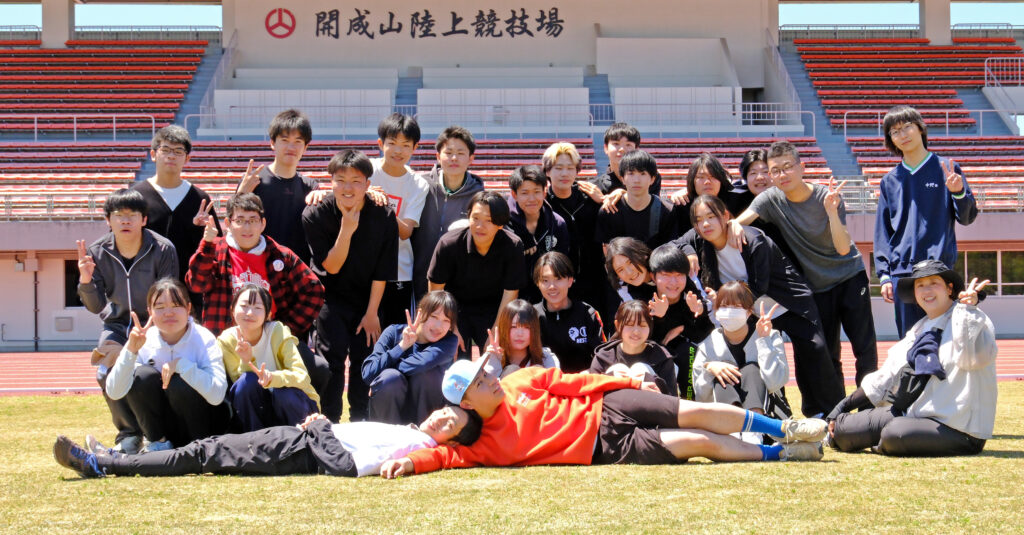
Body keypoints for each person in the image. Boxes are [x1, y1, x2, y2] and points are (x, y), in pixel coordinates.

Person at [378, 357, 829, 478]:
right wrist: (410, 461)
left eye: (487, 373)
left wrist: (628, 383)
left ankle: (783, 429)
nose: (492, 380)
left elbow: (575, 382)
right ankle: (782, 456)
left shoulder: (520, 379)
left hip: (608, 406)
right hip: (606, 449)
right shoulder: (480, 448)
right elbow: (444, 458)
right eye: (480, 382)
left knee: (698, 411)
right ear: (467, 402)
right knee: (698, 441)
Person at [676, 195, 845, 418]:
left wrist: (725, 300)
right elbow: (673, 244)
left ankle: (833, 415)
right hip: (752, 312)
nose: (705, 224)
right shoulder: (699, 239)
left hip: (787, 304)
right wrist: (688, 251)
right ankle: (771, 413)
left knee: (815, 352)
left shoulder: (752, 239)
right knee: (759, 360)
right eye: (698, 220)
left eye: (711, 216)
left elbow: (759, 285)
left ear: (725, 216)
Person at [728, 141, 878, 386]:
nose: (782, 174)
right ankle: (837, 406)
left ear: (802, 167)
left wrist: (831, 212)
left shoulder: (825, 196)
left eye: (788, 167)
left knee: (864, 348)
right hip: (818, 287)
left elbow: (843, 248)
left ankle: (869, 403)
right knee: (829, 353)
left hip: (849, 277)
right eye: (775, 170)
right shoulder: (770, 198)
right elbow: (740, 221)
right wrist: (734, 225)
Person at [827, 261, 995, 457]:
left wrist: (968, 309)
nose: (927, 290)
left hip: (958, 427)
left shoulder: (972, 319)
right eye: (920, 285)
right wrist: (842, 407)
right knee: (843, 430)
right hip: (916, 414)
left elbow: (971, 358)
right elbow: (886, 376)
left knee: (894, 433)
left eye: (934, 283)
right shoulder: (919, 329)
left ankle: (885, 444)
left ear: (950, 289)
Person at [54, 405, 483, 479]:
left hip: (296, 450)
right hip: (296, 441)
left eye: (450, 422)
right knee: (206, 448)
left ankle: (104, 464)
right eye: (447, 411)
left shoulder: (411, 447)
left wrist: (320, 428)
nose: (442, 416)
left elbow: (348, 467)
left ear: (453, 439)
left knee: (203, 454)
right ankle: (113, 459)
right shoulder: (411, 433)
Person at [185, 192, 329, 396]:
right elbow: (196, 284)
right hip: (226, 339)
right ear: (228, 223)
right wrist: (206, 243)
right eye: (240, 220)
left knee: (320, 369)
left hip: (268, 338)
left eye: (253, 220)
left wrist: (286, 328)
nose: (247, 228)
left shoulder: (280, 255)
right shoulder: (215, 250)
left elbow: (314, 291)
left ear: (263, 224)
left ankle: (311, 412)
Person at [76, 188, 179, 454]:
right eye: (118, 215)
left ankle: (159, 433)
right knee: (105, 370)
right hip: (118, 325)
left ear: (144, 219)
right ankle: (129, 434)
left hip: (156, 326)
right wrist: (85, 280)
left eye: (132, 215)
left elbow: (169, 292)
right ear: (108, 220)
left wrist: (155, 327)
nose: (125, 220)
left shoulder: (162, 248)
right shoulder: (97, 252)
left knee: (148, 375)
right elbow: (96, 306)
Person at [302, 149, 399, 422]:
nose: (348, 188)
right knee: (330, 363)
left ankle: (361, 420)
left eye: (356, 181)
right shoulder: (315, 214)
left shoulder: (383, 214)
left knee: (364, 361)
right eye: (341, 180)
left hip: (369, 299)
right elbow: (331, 267)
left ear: (368, 184)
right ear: (330, 182)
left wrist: (372, 313)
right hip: (329, 299)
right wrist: (346, 229)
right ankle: (329, 421)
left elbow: (383, 270)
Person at [875, 105, 978, 337]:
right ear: (890, 139)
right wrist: (884, 275)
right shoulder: (889, 180)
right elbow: (883, 231)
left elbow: (967, 218)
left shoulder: (947, 169)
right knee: (909, 341)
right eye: (895, 131)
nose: (902, 134)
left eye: (907, 127)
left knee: (944, 341)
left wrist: (959, 192)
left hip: (938, 268)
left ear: (920, 128)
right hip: (903, 273)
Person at [104, 278, 229, 451]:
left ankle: (196, 448)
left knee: (179, 383)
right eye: (160, 307)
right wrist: (130, 351)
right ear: (150, 312)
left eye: (176, 305)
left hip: (200, 427)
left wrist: (181, 365)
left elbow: (217, 395)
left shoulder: (204, 339)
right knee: (142, 376)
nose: (168, 313)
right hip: (163, 430)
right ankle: (158, 443)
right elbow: (114, 391)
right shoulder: (144, 340)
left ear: (188, 308)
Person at [129, 125, 220, 311]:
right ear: (153, 154)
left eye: (178, 151)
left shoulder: (200, 199)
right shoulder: (136, 197)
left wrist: (200, 230)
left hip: (192, 299)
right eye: (166, 150)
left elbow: (216, 248)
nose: (171, 156)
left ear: (187, 158)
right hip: (146, 297)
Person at [427, 191, 526, 360]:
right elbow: (436, 290)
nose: (480, 226)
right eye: (475, 218)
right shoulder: (448, 243)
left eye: (489, 220)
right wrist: (450, 327)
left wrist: (497, 332)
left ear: (500, 224)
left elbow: (510, 293)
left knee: (495, 360)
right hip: (453, 309)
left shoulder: (513, 245)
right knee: (451, 357)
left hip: (494, 310)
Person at [692, 281, 789, 438]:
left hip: (769, 421)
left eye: (736, 307)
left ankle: (754, 434)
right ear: (716, 311)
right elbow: (702, 397)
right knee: (722, 372)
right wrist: (710, 369)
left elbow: (776, 383)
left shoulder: (770, 336)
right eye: (724, 306)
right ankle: (734, 434)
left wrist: (764, 341)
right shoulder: (708, 345)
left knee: (751, 370)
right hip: (723, 427)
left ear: (749, 312)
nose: (730, 312)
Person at [217, 284, 320, 432]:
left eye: (257, 308)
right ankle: (256, 440)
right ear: (232, 310)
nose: (250, 313)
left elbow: (301, 376)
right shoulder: (227, 340)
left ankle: (301, 438)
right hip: (261, 410)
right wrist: (246, 361)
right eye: (244, 306)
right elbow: (240, 389)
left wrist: (272, 378)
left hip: (295, 404)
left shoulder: (277, 331)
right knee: (245, 384)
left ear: (268, 315)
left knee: (283, 394)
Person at [234, 108, 321, 263]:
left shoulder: (310, 187)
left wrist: (322, 197)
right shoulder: (254, 181)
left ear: (305, 147)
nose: (291, 147)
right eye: (285, 140)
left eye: (298, 141)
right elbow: (234, 226)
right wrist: (239, 197)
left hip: (297, 268)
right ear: (273, 143)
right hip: (260, 266)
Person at [361, 290, 460, 425]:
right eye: (434, 317)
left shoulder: (448, 341)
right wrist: (402, 346)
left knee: (425, 374)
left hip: (425, 417)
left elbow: (421, 364)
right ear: (420, 313)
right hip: (389, 415)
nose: (439, 326)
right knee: (390, 379)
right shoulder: (393, 332)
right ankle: (387, 435)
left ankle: (423, 434)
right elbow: (368, 373)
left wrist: (380, 375)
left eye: (446, 320)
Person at [411, 126, 485, 301]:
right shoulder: (420, 186)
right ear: (438, 156)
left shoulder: (479, 196)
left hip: (460, 279)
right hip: (420, 275)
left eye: (460, 153)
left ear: (471, 158)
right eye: (448, 152)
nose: (454, 158)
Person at [370, 113, 430, 326]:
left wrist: (383, 205)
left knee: (396, 335)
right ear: (380, 144)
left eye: (405, 145)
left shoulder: (418, 184)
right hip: (363, 267)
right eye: (392, 143)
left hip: (398, 271)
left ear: (415, 148)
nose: (398, 150)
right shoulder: (365, 171)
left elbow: (405, 232)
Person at [543, 142, 606, 308]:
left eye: (570, 168)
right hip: (557, 284)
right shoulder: (543, 205)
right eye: (558, 168)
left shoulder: (590, 199)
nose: (565, 173)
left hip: (594, 282)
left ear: (577, 171)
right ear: (547, 171)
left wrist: (605, 200)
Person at [647, 244, 714, 399]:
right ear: (653, 277)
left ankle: (689, 400)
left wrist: (699, 312)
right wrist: (658, 318)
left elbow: (707, 333)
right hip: (657, 360)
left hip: (691, 357)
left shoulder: (692, 297)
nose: (673, 282)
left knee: (687, 351)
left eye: (679, 275)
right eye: (666, 275)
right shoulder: (646, 302)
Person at [505, 164, 570, 303]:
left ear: (544, 192)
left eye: (536, 192)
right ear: (514, 195)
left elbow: (562, 266)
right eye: (525, 193)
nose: (532, 199)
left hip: (546, 298)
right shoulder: (503, 225)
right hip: (510, 297)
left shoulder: (557, 223)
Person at [532, 252, 605, 373]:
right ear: (537, 283)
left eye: (558, 279)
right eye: (545, 280)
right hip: (545, 381)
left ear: (570, 281)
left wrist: (588, 373)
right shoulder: (531, 316)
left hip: (583, 379)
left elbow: (603, 356)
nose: (552, 286)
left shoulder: (588, 313)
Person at [590, 300, 677, 396]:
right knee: (618, 369)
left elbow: (671, 398)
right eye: (630, 325)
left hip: (649, 404)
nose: (636, 331)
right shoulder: (603, 357)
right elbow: (591, 393)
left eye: (642, 325)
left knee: (641, 369)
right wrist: (613, 379)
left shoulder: (661, 358)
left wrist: (649, 379)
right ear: (618, 325)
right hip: (612, 404)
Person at [594, 150, 676, 250]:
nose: (636, 180)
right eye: (631, 173)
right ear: (622, 178)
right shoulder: (609, 211)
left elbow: (669, 249)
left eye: (642, 173)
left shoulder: (666, 210)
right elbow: (607, 250)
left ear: (652, 179)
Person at [668, 153, 743, 236]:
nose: (707, 182)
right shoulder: (681, 206)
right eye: (701, 177)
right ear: (692, 180)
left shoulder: (738, 201)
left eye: (713, 176)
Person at [484, 299, 560, 378]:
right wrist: (494, 360)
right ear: (504, 327)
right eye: (513, 327)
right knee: (511, 370)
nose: (520, 334)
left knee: (538, 369)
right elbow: (483, 383)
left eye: (526, 327)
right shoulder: (491, 357)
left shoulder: (546, 357)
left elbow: (555, 382)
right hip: (503, 385)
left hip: (537, 383)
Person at [589, 122, 660, 195]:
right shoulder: (595, 188)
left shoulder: (649, 177)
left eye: (628, 145)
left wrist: (622, 194)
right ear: (606, 148)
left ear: (636, 149)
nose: (622, 149)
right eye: (616, 144)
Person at [604, 237, 657, 304]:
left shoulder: (662, 265)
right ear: (617, 276)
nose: (629, 272)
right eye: (620, 270)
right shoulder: (625, 290)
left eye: (630, 262)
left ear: (643, 255)